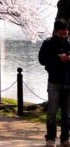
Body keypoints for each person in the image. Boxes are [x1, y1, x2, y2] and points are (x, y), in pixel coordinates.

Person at [39, 19, 70, 147]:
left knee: (66, 113)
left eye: (65, 33)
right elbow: (42, 59)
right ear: (55, 32)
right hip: (54, 83)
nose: (63, 36)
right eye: (61, 33)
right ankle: (50, 138)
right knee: (51, 112)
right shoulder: (48, 43)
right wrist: (58, 58)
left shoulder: (69, 43)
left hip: (68, 82)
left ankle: (65, 139)